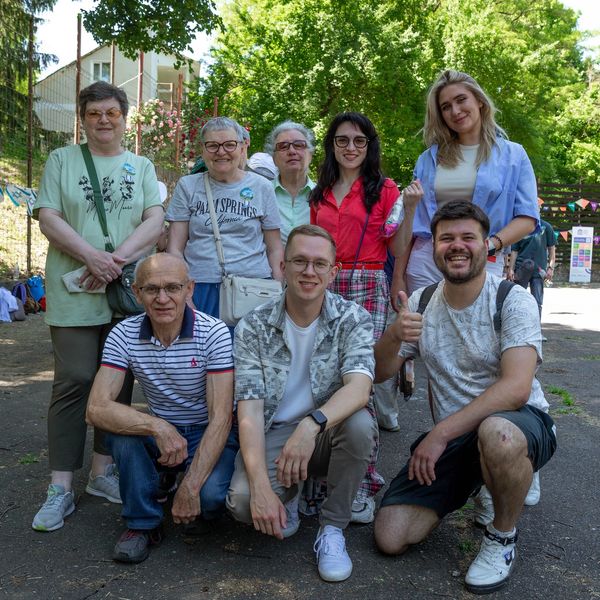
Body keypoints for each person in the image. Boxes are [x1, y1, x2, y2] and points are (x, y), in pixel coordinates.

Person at [373, 201, 556, 594]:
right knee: (391, 536)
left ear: (486, 245)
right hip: (458, 439)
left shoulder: (511, 298)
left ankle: (501, 536)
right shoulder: (421, 301)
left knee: (498, 434)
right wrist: (393, 335)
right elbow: (380, 373)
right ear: (435, 247)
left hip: (519, 421)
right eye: (447, 238)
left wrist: (438, 436)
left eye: (468, 237)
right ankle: (479, 480)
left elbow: (516, 387)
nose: (458, 246)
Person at [31, 81, 164, 532]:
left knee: (119, 381)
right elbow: (48, 215)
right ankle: (60, 487)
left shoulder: (140, 165)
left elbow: (155, 218)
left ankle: (101, 474)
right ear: (82, 119)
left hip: (124, 287)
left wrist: (117, 259)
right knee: (75, 378)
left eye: (111, 112)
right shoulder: (61, 161)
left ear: (124, 117)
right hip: (74, 286)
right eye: (94, 114)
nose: (103, 120)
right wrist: (91, 257)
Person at [227, 224, 377, 582]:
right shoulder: (253, 326)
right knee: (244, 504)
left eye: (319, 264)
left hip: (326, 429)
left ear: (333, 272)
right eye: (299, 262)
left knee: (359, 424)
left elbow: (359, 389)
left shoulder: (353, 318)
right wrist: (262, 488)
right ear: (283, 267)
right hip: (275, 431)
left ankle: (332, 529)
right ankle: (291, 492)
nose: (309, 272)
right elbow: (248, 410)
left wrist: (311, 425)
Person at [86, 253, 238, 563]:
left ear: (189, 289)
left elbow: (221, 418)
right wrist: (158, 426)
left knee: (210, 499)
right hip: (162, 431)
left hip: (206, 430)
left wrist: (192, 487)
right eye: (152, 289)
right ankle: (143, 524)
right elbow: (96, 408)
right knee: (122, 434)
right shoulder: (124, 334)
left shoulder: (214, 333)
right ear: (136, 293)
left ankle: (177, 482)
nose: (163, 298)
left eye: (173, 287)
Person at [310, 111, 423, 517]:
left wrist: (409, 210)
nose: (351, 147)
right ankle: (322, 478)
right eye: (343, 140)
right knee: (323, 377)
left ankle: (361, 483)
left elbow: (397, 250)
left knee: (362, 380)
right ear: (332, 145)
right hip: (323, 284)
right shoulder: (319, 190)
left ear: (369, 145)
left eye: (359, 140)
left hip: (368, 283)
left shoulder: (385, 189)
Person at [396, 69, 539, 299]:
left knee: (477, 333)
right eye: (445, 106)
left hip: (483, 260)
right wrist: (397, 277)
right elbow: (411, 222)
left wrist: (489, 244)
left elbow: (528, 219)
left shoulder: (514, 155)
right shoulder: (428, 159)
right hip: (426, 262)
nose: (455, 111)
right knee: (422, 333)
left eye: (461, 100)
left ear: (480, 102)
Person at [166, 117, 284, 320]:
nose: (221, 152)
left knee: (249, 350)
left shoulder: (262, 187)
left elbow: (274, 248)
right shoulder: (188, 186)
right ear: (203, 150)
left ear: (241, 147)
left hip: (254, 287)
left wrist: (280, 292)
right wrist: (183, 294)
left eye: (229, 144)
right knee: (205, 349)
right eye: (213, 145)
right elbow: (175, 248)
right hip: (200, 286)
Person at [265, 121, 316, 244]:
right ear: (273, 158)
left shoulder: (324, 196)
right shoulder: (261, 193)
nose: (292, 151)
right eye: (283, 146)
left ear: (310, 154)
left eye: (299, 145)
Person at [509, 219, 556, 317]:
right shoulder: (520, 226)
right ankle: (519, 326)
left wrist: (550, 268)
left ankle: (536, 329)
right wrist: (511, 269)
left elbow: (552, 249)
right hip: (521, 268)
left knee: (537, 302)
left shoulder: (546, 226)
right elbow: (514, 251)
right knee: (518, 300)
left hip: (539, 270)